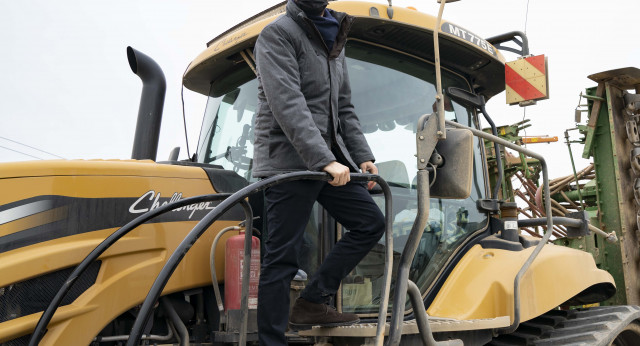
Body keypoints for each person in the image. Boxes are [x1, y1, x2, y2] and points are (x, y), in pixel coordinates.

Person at [252, 0, 386, 344]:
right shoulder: (277, 35)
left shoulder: (334, 41)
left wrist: (362, 156)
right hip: (289, 163)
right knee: (282, 258)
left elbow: (343, 108)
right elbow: (287, 102)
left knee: (370, 222)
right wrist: (323, 160)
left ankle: (313, 300)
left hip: (329, 159)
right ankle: (272, 341)